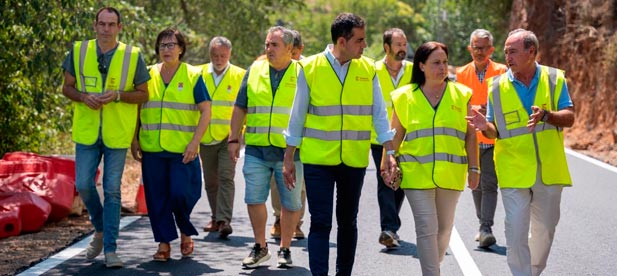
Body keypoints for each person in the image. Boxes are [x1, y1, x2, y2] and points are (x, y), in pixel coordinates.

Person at [282, 13, 398, 276]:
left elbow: (379, 114)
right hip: (317, 161)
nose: (364, 45)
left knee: (348, 223)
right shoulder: (310, 68)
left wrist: (390, 151)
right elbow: (297, 115)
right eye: (360, 40)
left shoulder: (368, 69)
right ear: (342, 41)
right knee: (320, 222)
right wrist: (289, 158)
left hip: (354, 161)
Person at [467, 28, 574, 276]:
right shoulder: (496, 87)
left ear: (531, 52)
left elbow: (569, 117)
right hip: (513, 170)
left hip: (548, 170)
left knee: (545, 230)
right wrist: (485, 127)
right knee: (515, 230)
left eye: (513, 51)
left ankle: (533, 271)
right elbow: (495, 131)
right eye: (505, 52)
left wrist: (548, 116)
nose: (508, 57)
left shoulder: (554, 79)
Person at [61, 6, 150, 268]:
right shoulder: (78, 51)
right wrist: (83, 97)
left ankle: (110, 249)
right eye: (102, 24)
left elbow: (144, 94)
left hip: (116, 134)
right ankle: (99, 229)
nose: (106, 29)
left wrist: (119, 95)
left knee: (112, 191)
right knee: (84, 184)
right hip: (87, 132)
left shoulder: (132, 56)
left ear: (119, 28)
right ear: (95, 25)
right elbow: (67, 87)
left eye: (112, 25)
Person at [385, 41, 479, 275]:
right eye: (436, 63)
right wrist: (387, 162)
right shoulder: (404, 97)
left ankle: (432, 267)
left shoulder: (462, 94)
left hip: (451, 174)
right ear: (422, 66)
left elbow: (470, 135)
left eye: (445, 62)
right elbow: (395, 136)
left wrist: (474, 168)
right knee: (426, 228)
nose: (442, 67)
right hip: (416, 175)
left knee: (444, 230)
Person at [130, 28, 212, 262]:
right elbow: (137, 108)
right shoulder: (146, 75)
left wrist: (195, 142)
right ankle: (164, 244)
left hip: (182, 150)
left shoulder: (193, 75)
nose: (167, 49)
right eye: (163, 45)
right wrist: (134, 139)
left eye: (171, 45)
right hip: (152, 148)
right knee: (157, 198)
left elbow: (206, 110)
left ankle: (185, 231)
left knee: (180, 193)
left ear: (181, 49)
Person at [228, 26, 303, 269]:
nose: (268, 49)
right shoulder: (255, 70)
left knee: (290, 204)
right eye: (267, 44)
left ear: (290, 50)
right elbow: (240, 106)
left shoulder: (303, 73)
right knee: (253, 199)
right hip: (257, 150)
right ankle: (260, 247)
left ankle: (285, 248)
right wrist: (233, 138)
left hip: (290, 153)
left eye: (274, 45)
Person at [455, 29, 507, 248]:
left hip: (493, 135)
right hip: (471, 139)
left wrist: (486, 111)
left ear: (491, 50)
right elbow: (459, 104)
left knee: (489, 184)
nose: (479, 51)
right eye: (476, 47)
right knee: (475, 184)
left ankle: (486, 228)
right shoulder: (461, 73)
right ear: (470, 48)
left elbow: (505, 100)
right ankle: (482, 224)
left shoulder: (502, 71)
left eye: (484, 48)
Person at [198, 36, 246, 239]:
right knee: (210, 180)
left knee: (226, 176)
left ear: (230, 55)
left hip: (229, 137)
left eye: (223, 56)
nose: (218, 59)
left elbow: (245, 108)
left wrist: (240, 136)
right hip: (205, 137)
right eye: (215, 55)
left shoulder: (240, 75)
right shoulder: (198, 74)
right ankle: (216, 216)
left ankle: (225, 220)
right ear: (210, 55)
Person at [372, 27, 413, 249]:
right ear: (386, 47)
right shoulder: (372, 70)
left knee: (401, 182)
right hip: (379, 137)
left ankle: (391, 226)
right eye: (398, 45)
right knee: (386, 179)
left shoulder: (415, 70)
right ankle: (388, 228)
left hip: (407, 137)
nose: (403, 49)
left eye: (405, 44)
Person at [269, 29, 306, 240]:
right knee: (278, 183)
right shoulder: (270, 69)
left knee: (300, 185)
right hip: (279, 139)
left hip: (302, 141)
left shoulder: (306, 69)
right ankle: (277, 219)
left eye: (297, 52)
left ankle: (296, 222)